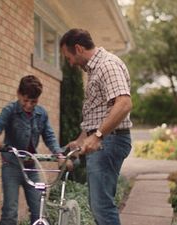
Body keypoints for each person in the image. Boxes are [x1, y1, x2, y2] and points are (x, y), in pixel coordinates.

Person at [60, 28, 133, 225]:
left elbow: (124, 103)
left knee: (101, 206)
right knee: (98, 204)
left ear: (78, 48)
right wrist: (81, 140)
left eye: (69, 57)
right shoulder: (95, 70)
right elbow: (98, 114)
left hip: (110, 141)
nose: (70, 63)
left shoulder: (107, 65)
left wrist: (98, 135)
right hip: (106, 140)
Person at [0, 75, 64, 225]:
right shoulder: (10, 110)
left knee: (38, 209)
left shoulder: (41, 114)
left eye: (34, 102)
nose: (29, 105)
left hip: (31, 165)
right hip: (11, 166)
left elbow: (49, 136)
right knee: (10, 211)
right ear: (18, 94)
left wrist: (59, 154)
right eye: (26, 100)